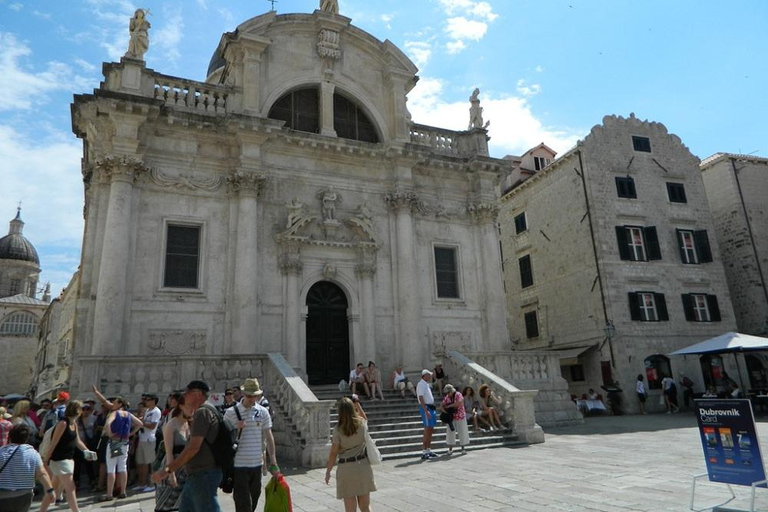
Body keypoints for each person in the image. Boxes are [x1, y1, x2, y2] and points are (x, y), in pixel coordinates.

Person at [151, 380, 222, 512]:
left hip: (203, 473)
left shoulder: (202, 413)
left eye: (187, 393)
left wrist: (167, 470)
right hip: (196, 473)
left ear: (198, 394)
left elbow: (193, 448)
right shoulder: (207, 410)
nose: (184, 396)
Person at [223, 378, 279, 512]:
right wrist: (236, 427)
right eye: (249, 395)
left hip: (257, 464)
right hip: (239, 465)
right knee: (243, 503)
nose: (252, 398)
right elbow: (223, 437)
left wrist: (273, 462)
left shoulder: (263, 412)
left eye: (255, 395)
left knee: (254, 498)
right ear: (243, 394)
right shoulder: (231, 413)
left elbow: (269, 437)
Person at [323, 397, 376, 512]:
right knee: (365, 507)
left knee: (350, 509)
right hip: (363, 466)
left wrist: (328, 471)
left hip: (346, 469)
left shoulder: (337, 430)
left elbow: (333, 453)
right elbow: (365, 419)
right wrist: (357, 404)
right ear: (353, 409)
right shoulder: (361, 424)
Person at [40, 401, 92, 512]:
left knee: (53, 488)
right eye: (81, 408)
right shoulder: (63, 423)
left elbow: (77, 441)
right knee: (71, 487)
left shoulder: (74, 424)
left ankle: (42, 510)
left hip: (68, 459)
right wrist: (46, 459)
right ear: (76, 410)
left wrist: (87, 452)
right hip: (59, 459)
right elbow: (54, 443)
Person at [91, 390, 142, 502]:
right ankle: (123, 491)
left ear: (120, 404)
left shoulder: (114, 413)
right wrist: (131, 433)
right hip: (124, 442)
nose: (113, 404)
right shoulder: (128, 414)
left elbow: (108, 424)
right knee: (122, 467)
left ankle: (109, 493)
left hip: (115, 442)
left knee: (111, 468)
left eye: (115, 402)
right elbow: (140, 424)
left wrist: (109, 433)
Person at [0, 424, 55, 512]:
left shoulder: (1, 452)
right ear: (27, 439)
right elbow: (42, 473)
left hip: (3, 496)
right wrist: (50, 490)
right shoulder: (33, 453)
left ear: (9, 437)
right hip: (24, 496)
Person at [135, 393, 161, 492]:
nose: (146, 401)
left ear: (153, 400)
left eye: (148, 400)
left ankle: (152, 483)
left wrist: (141, 423)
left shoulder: (156, 411)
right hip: (142, 438)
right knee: (141, 463)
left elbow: (153, 426)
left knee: (149, 463)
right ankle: (142, 483)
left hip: (149, 439)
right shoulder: (147, 411)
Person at [441, 385, 468, 455]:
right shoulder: (447, 397)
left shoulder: (458, 394)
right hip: (451, 418)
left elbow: (459, 403)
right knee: (450, 433)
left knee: (462, 432)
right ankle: (450, 449)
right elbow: (441, 406)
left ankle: (463, 448)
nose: (447, 394)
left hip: (460, 416)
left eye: (448, 392)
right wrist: (446, 412)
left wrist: (449, 406)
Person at [416, 369, 438, 459]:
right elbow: (421, 397)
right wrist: (425, 410)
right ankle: (424, 451)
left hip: (431, 407)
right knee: (427, 429)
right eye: (429, 375)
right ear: (424, 375)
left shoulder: (426, 384)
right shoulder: (421, 384)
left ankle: (428, 449)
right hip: (426, 407)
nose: (430, 376)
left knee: (430, 429)